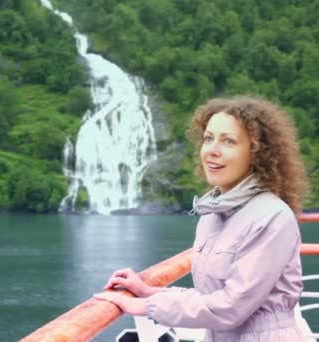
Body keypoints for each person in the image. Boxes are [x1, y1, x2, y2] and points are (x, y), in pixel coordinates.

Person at [93, 96, 309, 341]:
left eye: (228, 141)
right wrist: (148, 292)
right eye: (208, 138)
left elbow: (231, 307)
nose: (212, 151)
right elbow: (211, 298)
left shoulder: (272, 217)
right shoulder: (212, 215)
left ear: (257, 153)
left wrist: (146, 307)